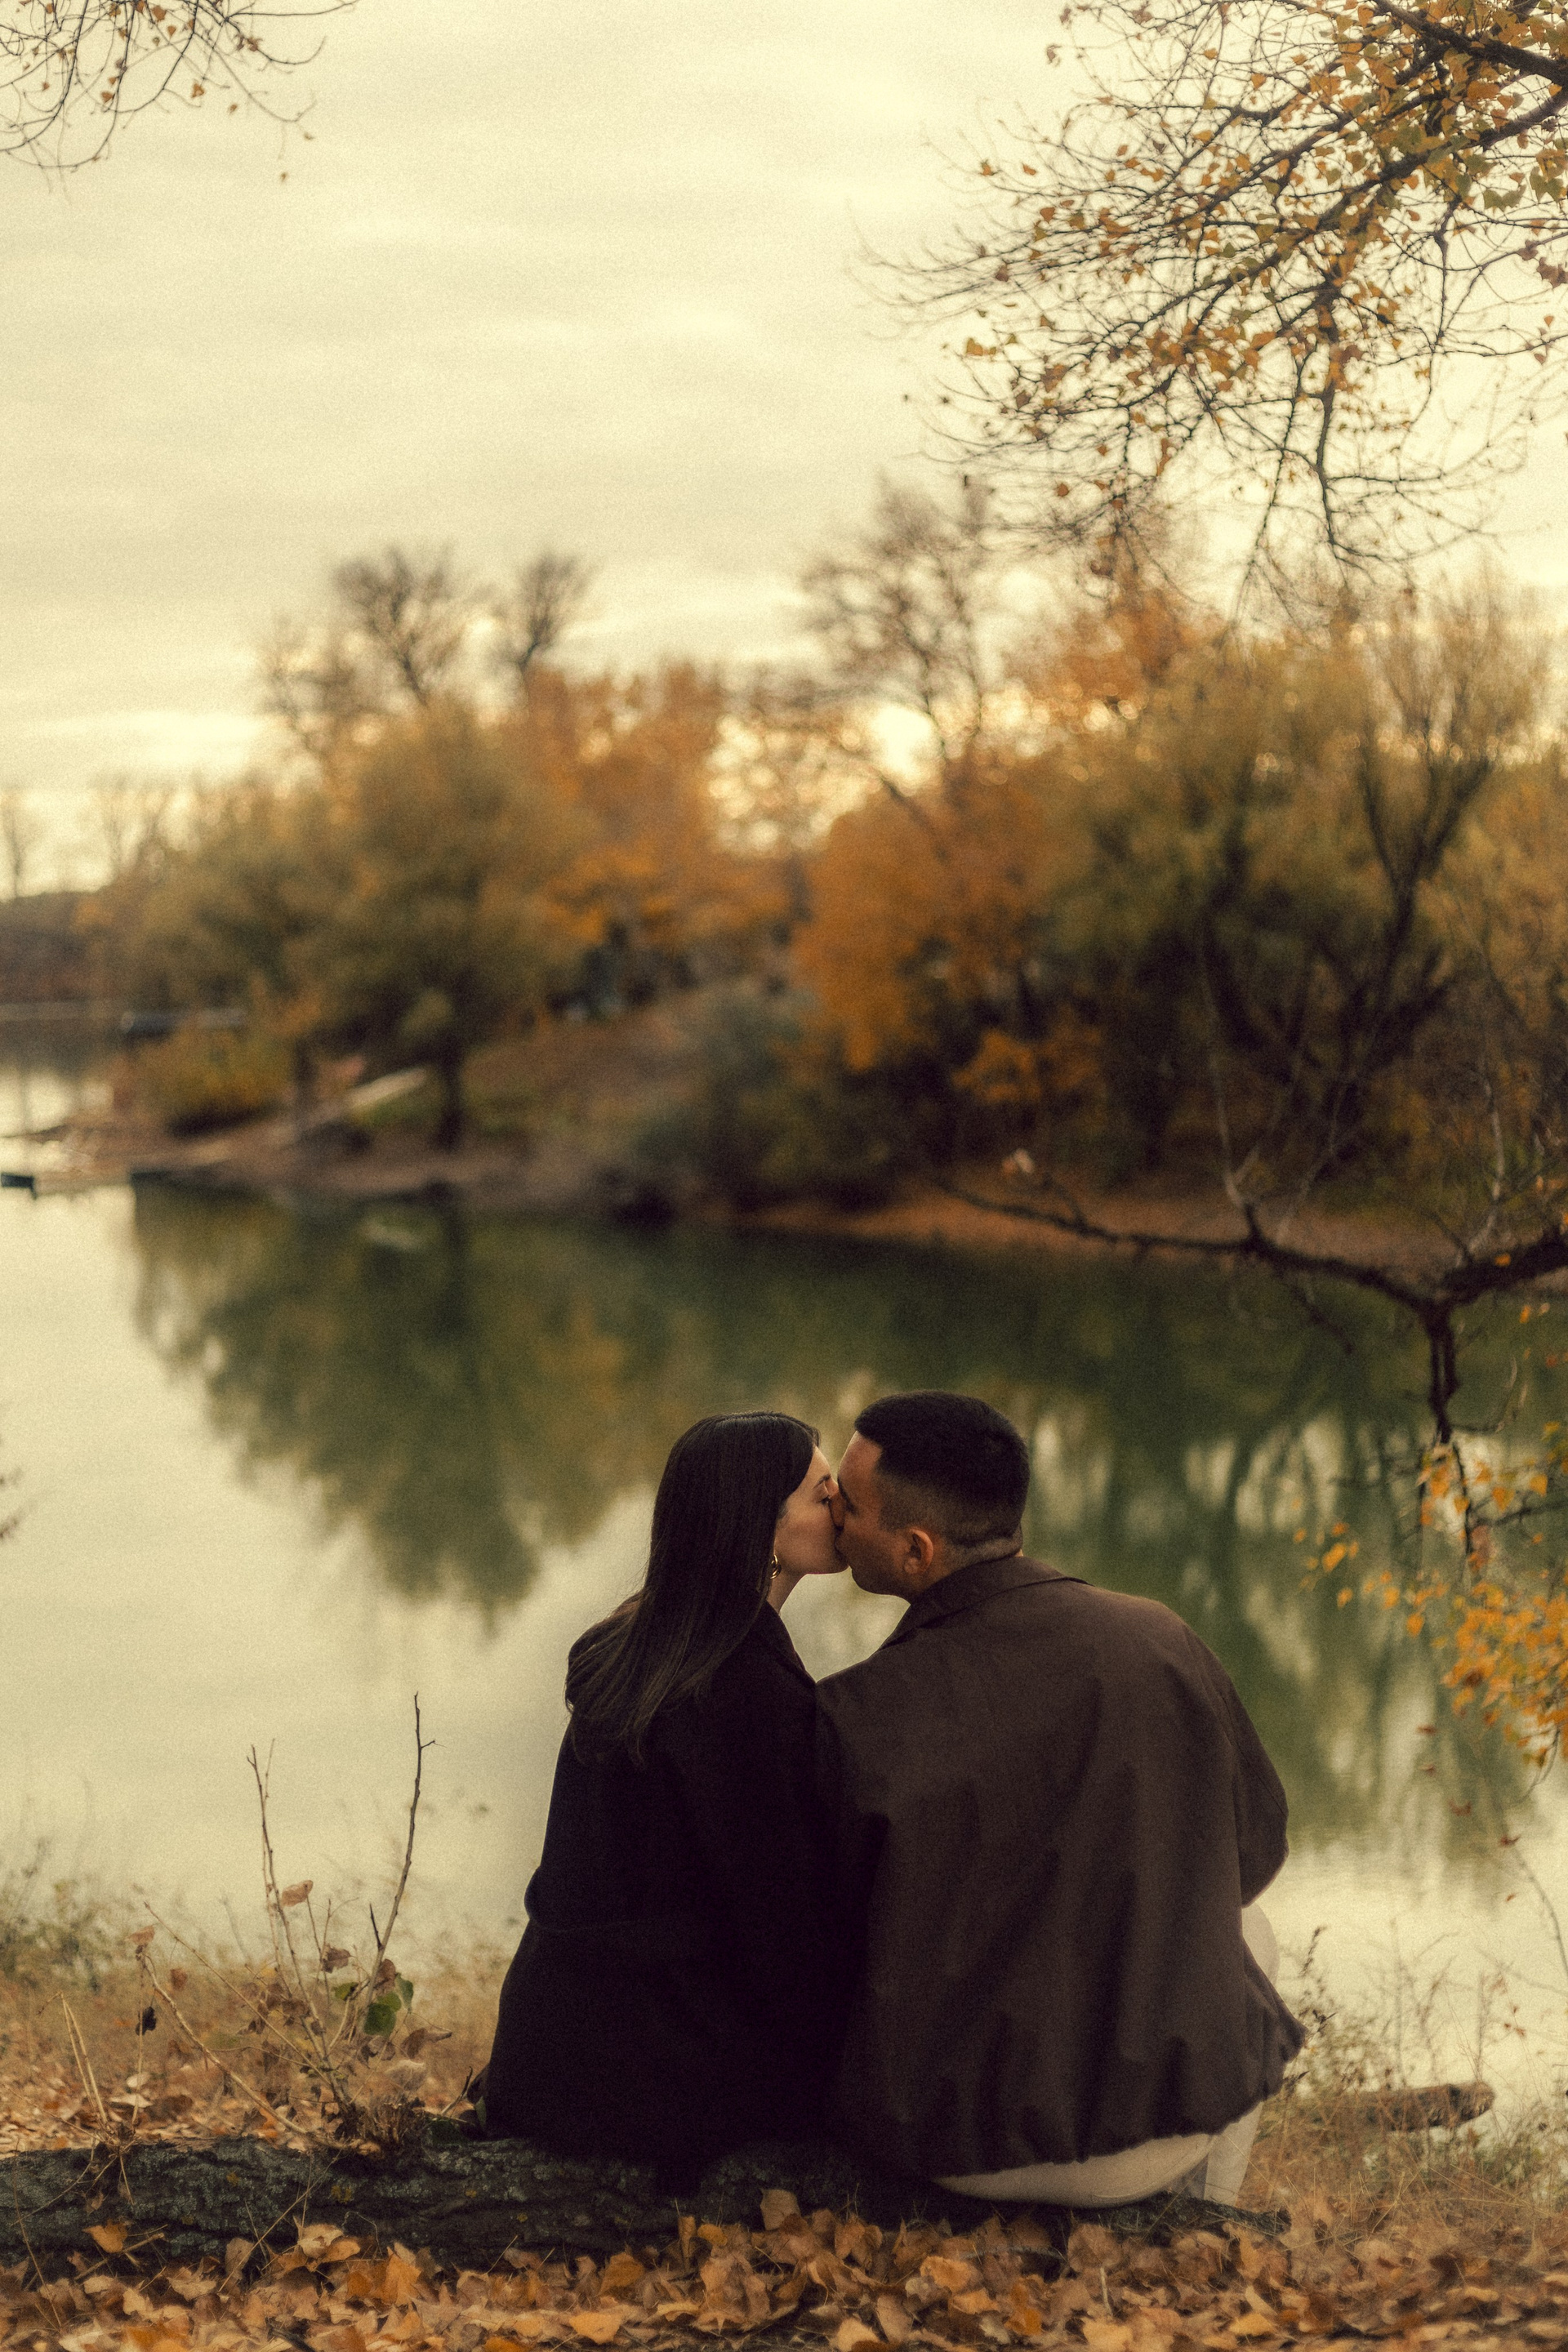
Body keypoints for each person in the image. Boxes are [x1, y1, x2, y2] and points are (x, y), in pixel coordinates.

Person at [817, 1389, 1304, 2209]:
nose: (833, 1513)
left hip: (954, 2146)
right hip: (1164, 2133)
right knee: (1249, 1930)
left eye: (850, 1506)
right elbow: (1252, 1857)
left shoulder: (854, 1714)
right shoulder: (1161, 1641)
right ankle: (1207, 2209)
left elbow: (817, 1953)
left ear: (916, 1550)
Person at [480, 1412, 847, 2183]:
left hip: (546, 2052)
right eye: (823, 1495)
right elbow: (778, 1924)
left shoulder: (632, 1645)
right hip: (649, 2081)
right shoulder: (748, 1690)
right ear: (764, 1528)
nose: (842, 1507)